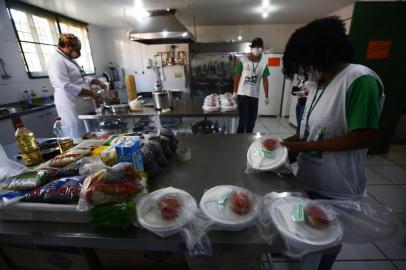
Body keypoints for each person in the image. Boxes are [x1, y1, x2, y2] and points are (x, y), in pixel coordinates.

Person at [281, 16, 384, 270]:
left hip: (337, 187)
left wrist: (302, 147)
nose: (304, 72)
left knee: (323, 252)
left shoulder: (359, 80)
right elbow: (310, 132)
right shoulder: (315, 85)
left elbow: (365, 136)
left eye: (305, 64)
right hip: (308, 180)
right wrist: (281, 145)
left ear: (322, 53)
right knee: (305, 237)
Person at [47, 33, 106, 139]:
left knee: (91, 134)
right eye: (77, 49)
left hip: (81, 103)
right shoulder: (56, 60)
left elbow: (80, 78)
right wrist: (92, 94)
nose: (78, 53)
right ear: (68, 45)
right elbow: (66, 85)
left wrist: (97, 82)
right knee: (78, 133)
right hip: (70, 103)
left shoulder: (69, 60)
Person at [233, 37, 270, 133]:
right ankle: (239, 139)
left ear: (262, 48)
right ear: (251, 48)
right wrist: (235, 92)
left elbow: (265, 80)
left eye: (259, 47)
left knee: (252, 121)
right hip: (243, 94)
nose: (257, 49)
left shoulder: (263, 64)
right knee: (243, 120)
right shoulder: (243, 60)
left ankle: (248, 139)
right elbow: (237, 76)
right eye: (255, 47)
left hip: (254, 95)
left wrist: (266, 96)